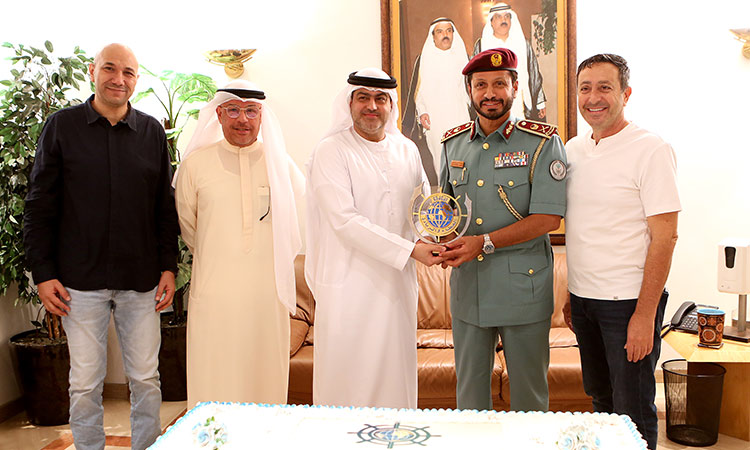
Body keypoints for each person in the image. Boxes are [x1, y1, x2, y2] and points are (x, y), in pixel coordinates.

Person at [23, 43, 179, 450]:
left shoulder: (151, 132)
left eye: (128, 72)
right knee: (84, 382)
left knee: (146, 378)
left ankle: (147, 446)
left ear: (136, 80)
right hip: (79, 282)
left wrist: (168, 266)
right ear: (93, 71)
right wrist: (43, 274)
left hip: (141, 280)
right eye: (110, 69)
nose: (118, 79)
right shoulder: (61, 127)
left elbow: (164, 206)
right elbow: (39, 204)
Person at [305, 68, 444, 409]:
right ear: (349, 103)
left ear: (391, 105)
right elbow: (345, 221)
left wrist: (438, 233)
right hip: (350, 286)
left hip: (396, 286)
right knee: (348, 379)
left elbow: (420, 210)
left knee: (395, 379)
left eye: (380, 99)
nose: (372, 106)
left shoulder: (407, 149)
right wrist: (412, 249)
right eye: (363, 98)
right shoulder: (331, 151)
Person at [563, 53, 680, 450]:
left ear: (626, 94)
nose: (593, 97)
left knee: (633, 411)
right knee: (601, 402)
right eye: (585, 87)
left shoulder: (651, 149)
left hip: (628, 304)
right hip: (584, 301)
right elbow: (582, 229)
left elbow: (665, 237)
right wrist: (570, 295)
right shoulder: (573, 149)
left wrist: (645, 315)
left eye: (604, 87)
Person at [440, 48, 566, 412]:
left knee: (529, 400)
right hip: (469, 290)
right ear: (470, 90)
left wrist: (482, 242)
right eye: (481, 85)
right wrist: (439, 239)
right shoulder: (453, 143)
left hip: (522, 290)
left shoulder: (541, 142)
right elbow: (446, 213)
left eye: (499, 83)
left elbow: (548, 219)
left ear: (515, 87)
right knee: (470, 401)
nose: (490, 92)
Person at [174, 80, 304, 407]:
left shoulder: (281, 166)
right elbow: (190, 228)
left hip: (266, 296)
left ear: (262, 116)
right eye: (233, 110)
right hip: (215, 295)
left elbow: (294, 224)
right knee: (214, 376)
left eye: (251, 111)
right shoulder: (195, 165)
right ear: (218, 113)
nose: (242, 119)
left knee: (265, 378)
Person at [402, 17, 471, 183]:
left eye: (448, 31)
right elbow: (418, 91)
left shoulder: (463, 57)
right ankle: (446, 198)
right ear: (433, 36)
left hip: (459, 115)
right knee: (441, 158)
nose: (445, 35)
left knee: (463, 157)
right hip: (435, 118)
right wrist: (422, 112)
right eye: (439, 32)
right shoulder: (424, 59)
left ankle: (463, 198)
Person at [473, 2, 547, 121]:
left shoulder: (522, 43)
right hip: (492, 101)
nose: (504, 20)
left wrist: (540, 102)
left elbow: (533, 72)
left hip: (520, 101)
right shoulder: (482, 46)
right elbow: (473, 78)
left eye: (507, 16)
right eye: (499, 17)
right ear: (491, 22)